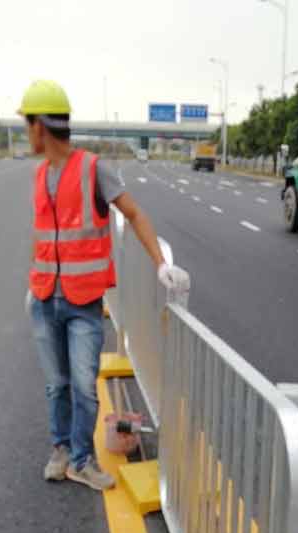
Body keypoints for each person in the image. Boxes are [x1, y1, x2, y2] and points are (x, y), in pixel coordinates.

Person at [20, 80, 189, 491]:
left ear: (41, 126)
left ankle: (82, 459)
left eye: (28, 124)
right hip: (44, 298)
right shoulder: (40, 174)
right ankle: (61, 451)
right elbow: (44, 236)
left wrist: (161, 264)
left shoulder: (94, 169)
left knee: (84, 386)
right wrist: (34, 283)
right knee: (55, 384)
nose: (28, 134)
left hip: (82, 304)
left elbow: (135, 214)